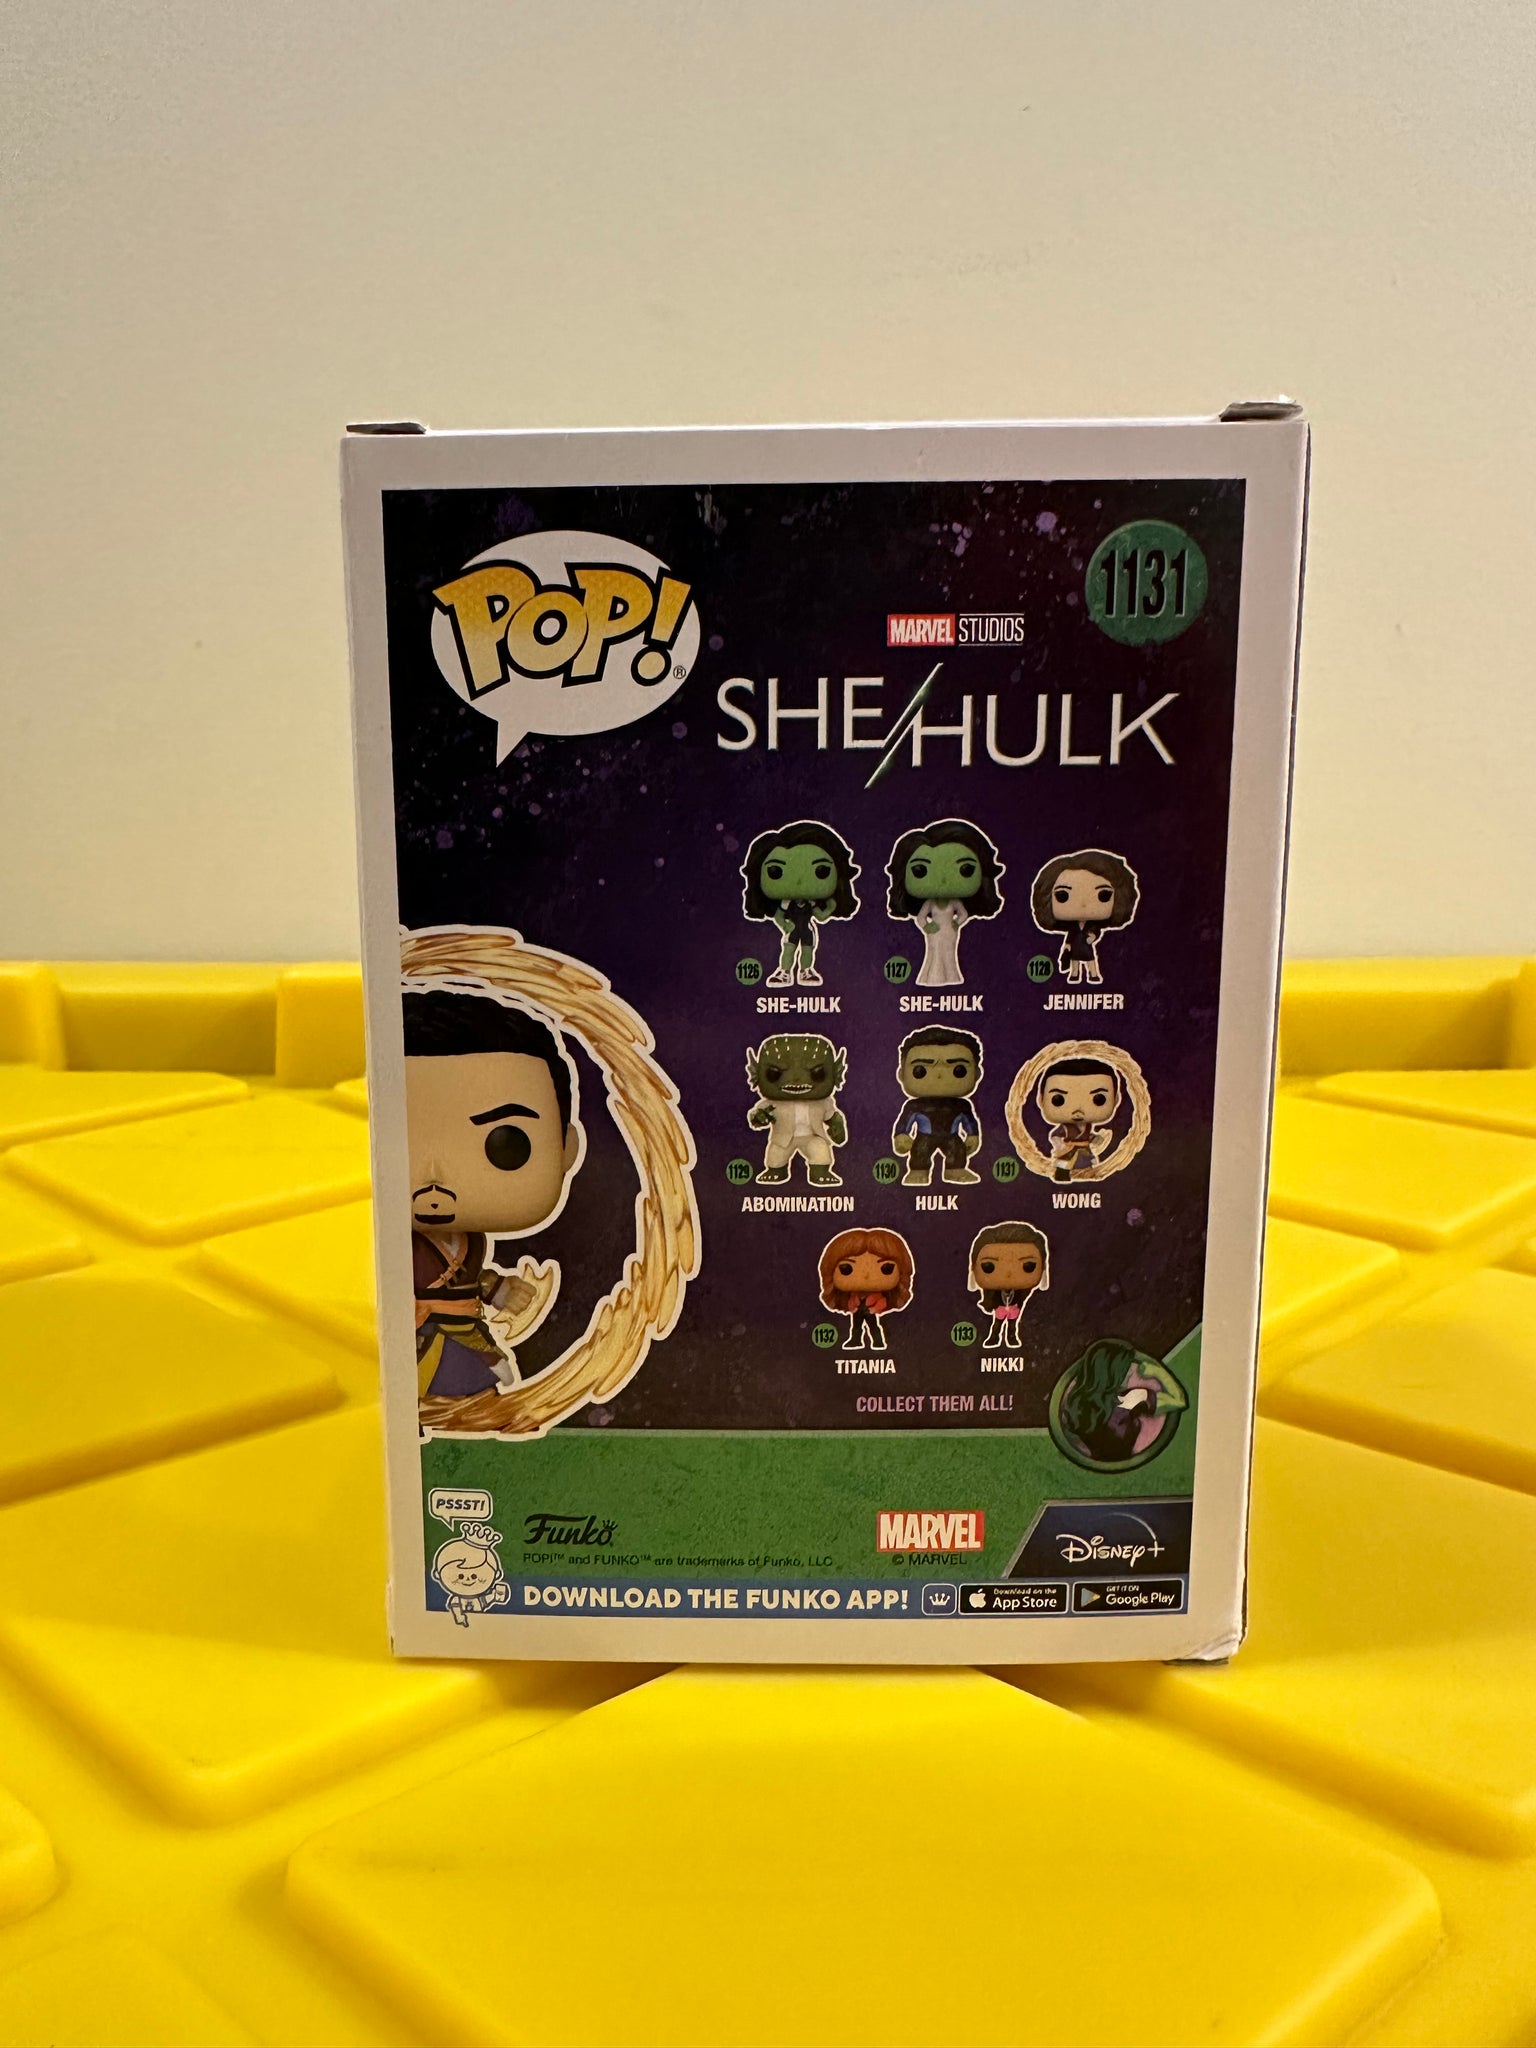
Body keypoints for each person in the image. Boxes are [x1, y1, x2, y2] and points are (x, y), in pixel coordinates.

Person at [405, 985, 584, 1401]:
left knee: (472, 1392)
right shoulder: (392, 1246)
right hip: (407, 1340)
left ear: (566, 1149)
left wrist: (498, 1288)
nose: (436, 1177)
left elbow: (469, 1277)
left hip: (463, 1334)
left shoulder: (470, 1242)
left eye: (505, 1144)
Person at [885, 819, 1004, 987]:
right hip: (934, 932)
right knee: (933, 951)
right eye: (920, 871)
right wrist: (927, 927)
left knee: (949, 953)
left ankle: (951, 976)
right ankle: (931, 977)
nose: (943, 880)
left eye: (966, 870)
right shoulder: (930, 903)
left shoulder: (954, 902)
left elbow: (963, 914)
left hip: (949, 931)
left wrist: (957, 923)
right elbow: (921, 917)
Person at [740, 821, 860, 987]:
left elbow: (820, 916)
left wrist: (830, 908)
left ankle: (806, 971)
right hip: (792, 930)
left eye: (821, 871)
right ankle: (785, 972)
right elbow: (779, 916)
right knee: (788, 950)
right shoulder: (786, 902)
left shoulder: (811, 903)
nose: (799, 881)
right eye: (775, 872)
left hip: (807, 931)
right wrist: (785, 925)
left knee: (807, 951)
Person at [1029, 849, 1140, 985]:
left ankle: (1093, 974)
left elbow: (1096, 932)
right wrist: (1067, 946)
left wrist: (1093, 937)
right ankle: (1074, 974)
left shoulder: (1092, 926)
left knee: (1090, 960)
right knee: (1074, 961)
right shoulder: (1072, 927)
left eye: (1103, 895)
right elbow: (1070, 936)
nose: (1083, 904)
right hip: (1076, 946)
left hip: (1086, 946)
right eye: (1062, 896)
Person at [892, 1027, 983, 1186]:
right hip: (924, 1137)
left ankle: (956, 1169)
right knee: (920, 1151)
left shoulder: (962, 1105)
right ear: (901, 1074)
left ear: (977, 1074)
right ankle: (918, 1170)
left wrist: (972, 1135)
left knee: (957, 1151)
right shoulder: (915, 1106)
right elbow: (904, 1122)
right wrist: (901, 1135)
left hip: (952, 1137)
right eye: (920, 1070)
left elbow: (969, 1121)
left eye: (959, 1070)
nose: (939, 1075)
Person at [817, 1227, 915, 1353]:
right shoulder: (853, 1295)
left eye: (886, 1268)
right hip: (858, 1310)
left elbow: (883, 1302)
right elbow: (850, 1302)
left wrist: (876, 1308)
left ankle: (878, 1341)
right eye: (846, 1268)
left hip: (870, 1310)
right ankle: (856, 1340)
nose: (866, 1276)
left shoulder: (879, 1295)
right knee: (856, 1326)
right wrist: (852, 1306)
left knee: (873, 1326)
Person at [968, 1221, 1049, 1350]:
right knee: (997, 1325)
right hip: (1000, 1309)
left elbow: (1022, 1299)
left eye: (1028, 1266)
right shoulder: (994, 1292)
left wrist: (1016, 1306)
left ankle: (1012, 1338)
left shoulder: (1022, 1292)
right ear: (973, 1268)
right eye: (989, 1266)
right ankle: (994, 1338)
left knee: (1012, 1325)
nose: (1009, 1274)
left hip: (1013, 1309)